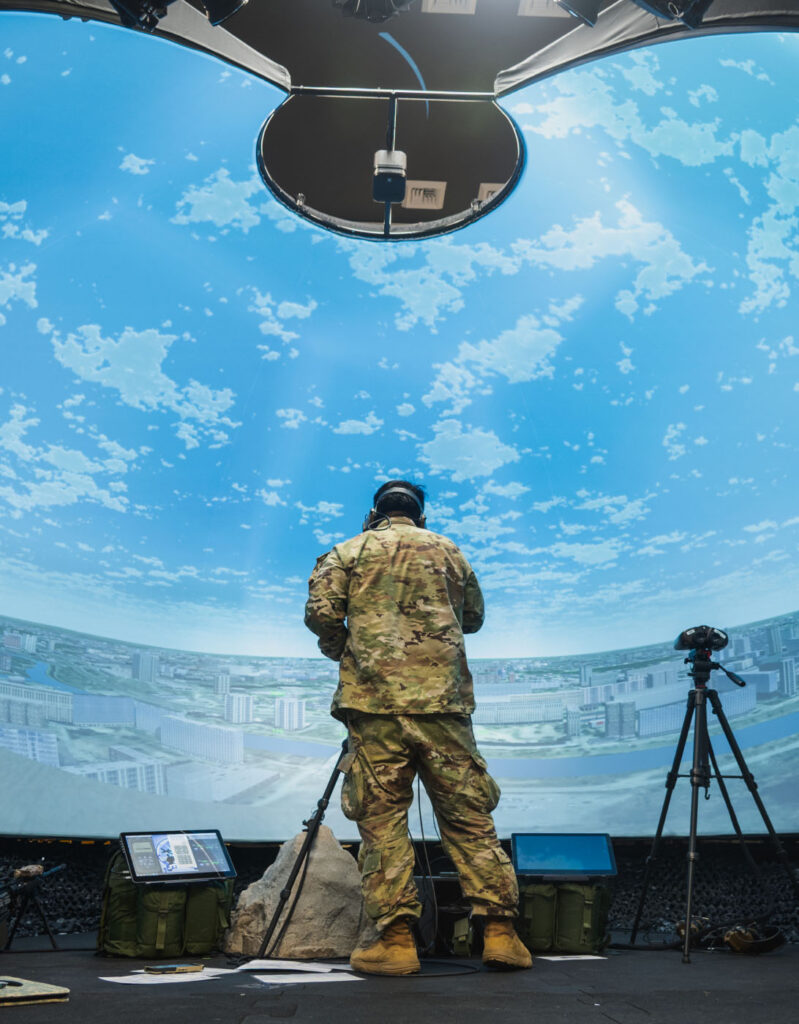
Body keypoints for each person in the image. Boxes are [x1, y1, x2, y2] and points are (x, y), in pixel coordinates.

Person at [304, 479, 532, 975]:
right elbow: (473, 618)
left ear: (374, 514)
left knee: (383, 823)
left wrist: (346, 649)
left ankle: (397, 943)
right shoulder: (449, 551)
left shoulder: (347, 551)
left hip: (375, 710)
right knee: (469, 817)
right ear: (421, 515)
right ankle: (501, 935)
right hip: (444, 707)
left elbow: (322, 614)